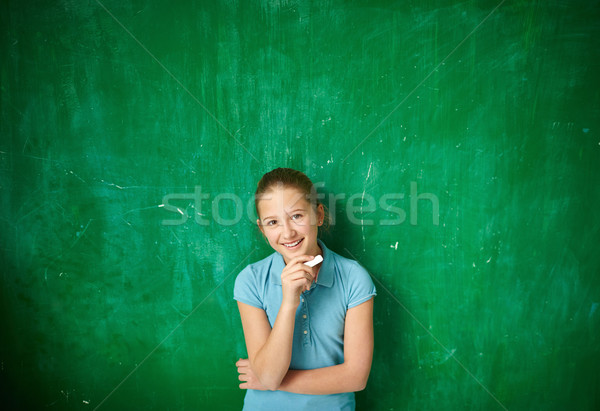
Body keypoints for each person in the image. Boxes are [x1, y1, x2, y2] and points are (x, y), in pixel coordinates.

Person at [233, 168, 376, 410]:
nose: (287, 232)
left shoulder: (354, 278)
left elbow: (356, 377)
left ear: (318, 215)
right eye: (273, 222)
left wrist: (273, 380)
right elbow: (268, 376)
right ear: (262, 229)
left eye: (297, 216)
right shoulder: (250, 280)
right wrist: (289, 302)